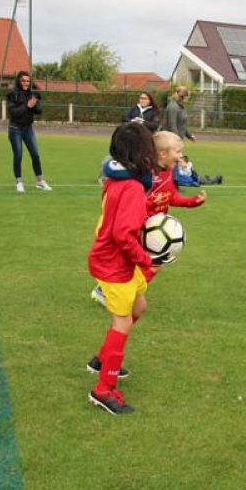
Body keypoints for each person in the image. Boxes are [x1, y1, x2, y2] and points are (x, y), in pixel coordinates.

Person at [85, 123, 167, 414]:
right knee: (121, 323)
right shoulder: (132, 187)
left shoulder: (116, 178)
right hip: (115, 265)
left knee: (138, 307)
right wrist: (146, 259)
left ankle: (101, 360)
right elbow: (123, 234)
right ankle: (103, 389)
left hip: (115, 260)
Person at [89, 130, 207, 312]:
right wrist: (150, 203)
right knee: (145, 263)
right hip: (140, 228)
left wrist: (193, 201)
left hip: (155, 228)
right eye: (177, 151)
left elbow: (171, 196)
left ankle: (116, 293)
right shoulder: (143, 174)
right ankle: (111, 293)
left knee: (148, 264)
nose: (181, 156)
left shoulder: (168, 172)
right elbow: (130, 204)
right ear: (162, 154)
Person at [6, 71, 52, 193]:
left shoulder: (32, 94)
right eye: (23, 81)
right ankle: (19, 182)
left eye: (27, 81)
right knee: (18, 155)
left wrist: (35, 104)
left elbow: (39, 110)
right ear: (18, 81)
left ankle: (40, 181)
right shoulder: (12, 95)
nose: (26, 83)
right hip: (15, 129)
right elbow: (13, 113)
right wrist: (27, 106)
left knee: (35, 154)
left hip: (28, 129)